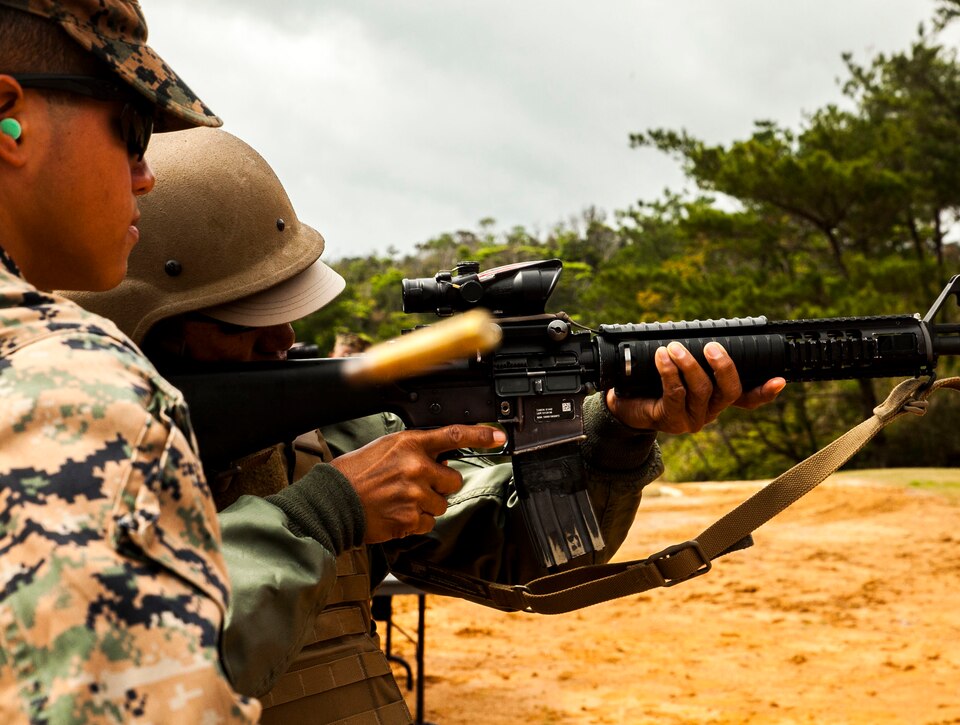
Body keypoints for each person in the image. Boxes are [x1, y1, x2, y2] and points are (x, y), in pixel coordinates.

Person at [68, 127, 786, 723]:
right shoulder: (56, 475)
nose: (284, 340)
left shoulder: (320, 438)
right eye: (247, 322)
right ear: (146, 329)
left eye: (285, 308)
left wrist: (617, 431)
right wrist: (330, 510)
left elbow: (520, 553)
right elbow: (127, 676)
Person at [0, 3, 502, 722]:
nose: (143, 175)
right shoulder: (75, 387)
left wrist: (609, 432)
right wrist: (322, 512)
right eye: (130, 130)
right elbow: (137, 693)